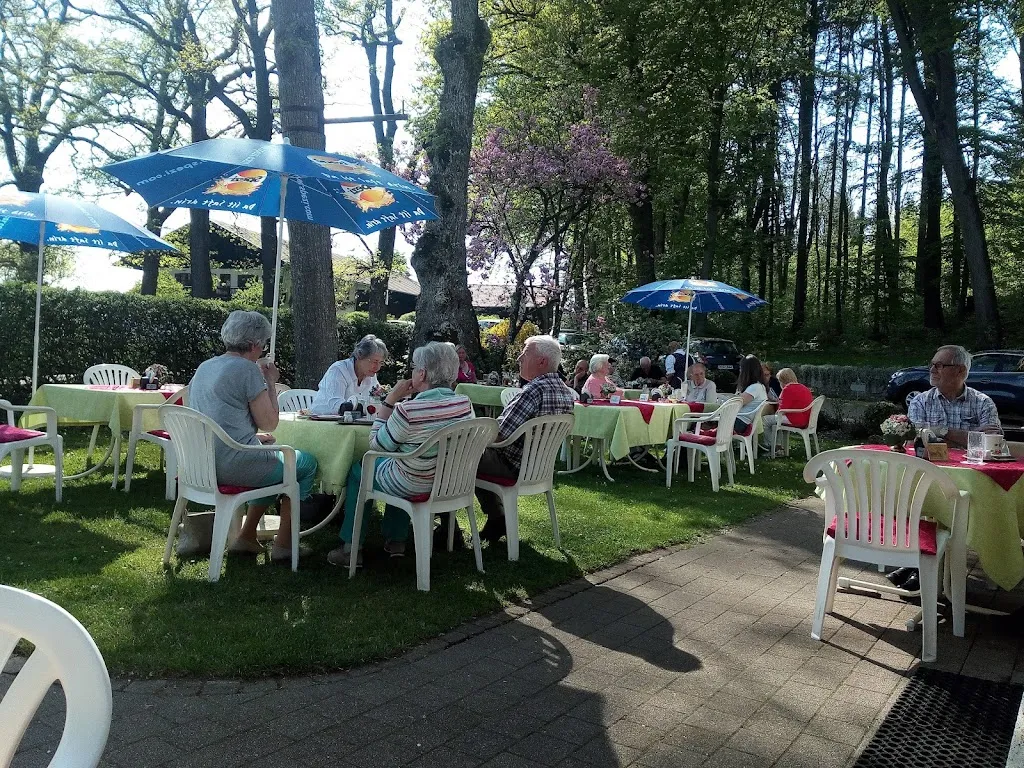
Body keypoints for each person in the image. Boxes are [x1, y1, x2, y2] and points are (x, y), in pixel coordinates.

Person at [188, 310, 319, 562]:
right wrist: (270, 382)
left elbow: (215, 418)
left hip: (201, 463)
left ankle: (247, 537)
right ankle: (284, 545)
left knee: (272, 461)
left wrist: (253, 439)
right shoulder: (247, 369)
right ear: (253, 344)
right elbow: (269, 422)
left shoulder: (205, 367)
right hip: (233, 465)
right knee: (304, 464)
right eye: (263, 344)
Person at [327, 342, 474, 565]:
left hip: (414, 483)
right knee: (401, 463)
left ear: (422, 374)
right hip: (450, 483)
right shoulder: (464, 404)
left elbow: (376, 445)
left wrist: (389, 400)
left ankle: (351, 549)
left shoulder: (410, 410)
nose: (413, 371)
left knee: (361, 469)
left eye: (415, 367)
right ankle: (396, 541)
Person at [475, 335, 577, 542]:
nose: (519, 358)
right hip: (539, 468)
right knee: (468, 454)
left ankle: (450, 529)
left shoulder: (533, 391)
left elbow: (500, 433)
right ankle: (497, 519)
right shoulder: (566, 393)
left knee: (457, 456)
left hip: (512, 465)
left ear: (542, 362)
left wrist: (471, 437)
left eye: (525, 353)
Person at [907, 344, 1001, 447]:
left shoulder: (983, 403)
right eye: (932, 365)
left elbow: (992, 443)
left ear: (960, 370)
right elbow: (916, 442)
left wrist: (941, 431)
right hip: (930, 462)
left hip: (970, 463)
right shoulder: (920, 401)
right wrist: (972, 435)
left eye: (939, 365)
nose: (932, 370)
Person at [310, 335, 388, 415]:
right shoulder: (339, 370)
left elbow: (377, 401)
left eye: (381, 363)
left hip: (351, 422)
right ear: (359, 356)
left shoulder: (370, 374)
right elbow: (337, 405)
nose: (377, 367)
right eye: (374, 361)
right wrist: (366, 408)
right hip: (321, 420)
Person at [760, 368, 813, 452]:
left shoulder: (787, 389)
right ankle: (778, 445)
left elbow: (782, 410)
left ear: (782, 380)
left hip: (795, 419)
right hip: (806, 419)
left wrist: (776, 411)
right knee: (775, 421)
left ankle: (770, 446)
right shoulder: (804, 388)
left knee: (765, 420)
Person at [732, 355, 768, 436]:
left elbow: (734, 404)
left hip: (740, 422)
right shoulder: (759, 387)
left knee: (705, 421)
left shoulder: (754, 388)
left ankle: (706, 443)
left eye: (741, 368)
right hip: (741, 421)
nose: (740, 371)